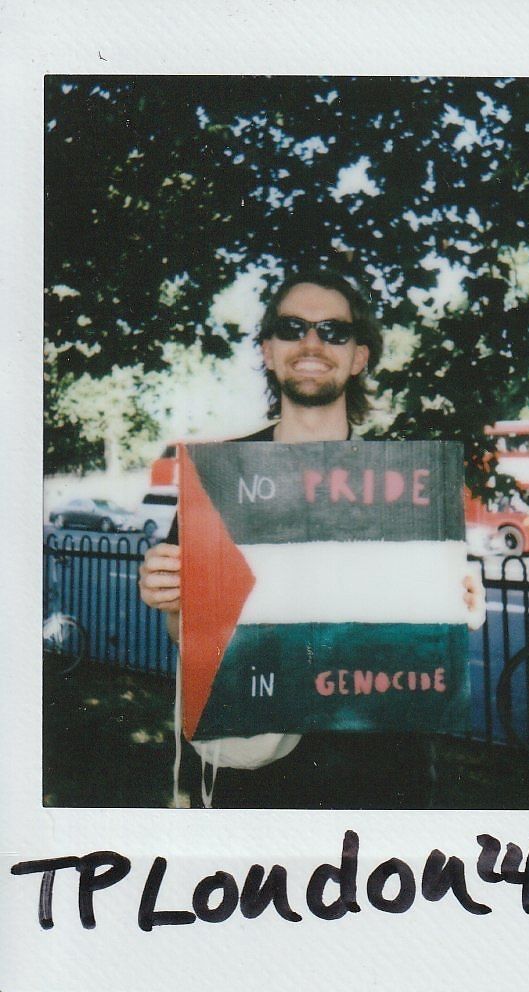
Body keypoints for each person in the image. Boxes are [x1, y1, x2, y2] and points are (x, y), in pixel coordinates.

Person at [139, 270, 485, 808]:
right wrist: (169, 597)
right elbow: (187, 634)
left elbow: (427, 630)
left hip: (386, 779)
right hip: (258, 787)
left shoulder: (409, 485)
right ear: (268, 350)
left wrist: (453, 602)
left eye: (334, 331)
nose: (312, 343)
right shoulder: (220, 480)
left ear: (360, 356)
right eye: (292, 327)